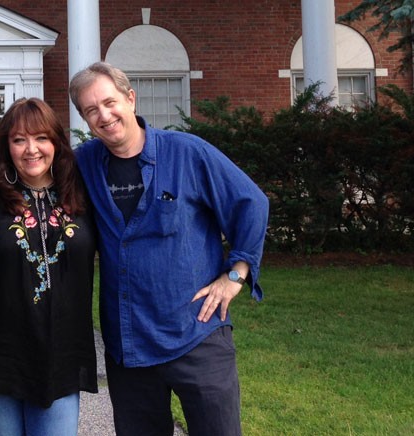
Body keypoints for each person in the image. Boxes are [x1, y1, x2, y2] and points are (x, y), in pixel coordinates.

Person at [68, 62, 269, 436]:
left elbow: (251, 203)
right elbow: (34, 175)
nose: (104, 115)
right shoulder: (85, 164)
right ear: (83, 118)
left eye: (110, 102)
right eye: (91, 110)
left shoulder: (188, 153)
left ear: (130, 98)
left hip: (196, 332)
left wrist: (235, 275)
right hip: (128, 345)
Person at [0, 98, 98, 436]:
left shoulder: (83, 190)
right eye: (18, 140)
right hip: (0, 355)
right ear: (6, 147)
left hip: (62, 353)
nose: (32, 150)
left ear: (56, 142)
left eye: (41, 138)